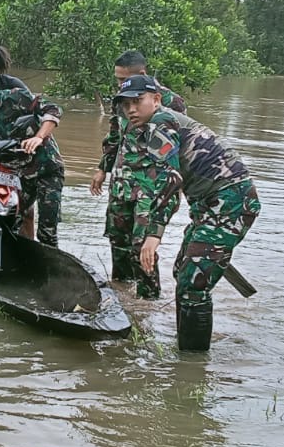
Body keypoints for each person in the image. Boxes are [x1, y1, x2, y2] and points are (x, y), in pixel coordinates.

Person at [110, 74, 261, 351]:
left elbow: (171, 180)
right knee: (184, 271)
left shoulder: (159, 123)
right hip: (208, 205)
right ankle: (187, 349)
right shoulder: (154, 124)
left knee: (193, 284)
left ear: (156, 100)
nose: (131, 109)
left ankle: (192, 366)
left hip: (231, 201)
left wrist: (154, 234)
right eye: (125, 104)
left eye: (137, 101)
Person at [89, 51, 187, 281]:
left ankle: (147, 305)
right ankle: (122, 299)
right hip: (122, 182)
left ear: (142, 74)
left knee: (142, 247)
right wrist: (103, 168)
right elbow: (115, 135)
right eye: (118, 80)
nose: (120, 85)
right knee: (117, 241)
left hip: (150, 186)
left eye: (124, 80)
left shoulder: (172, 103)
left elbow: (175, 148)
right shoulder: (121, 100)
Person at [0, 69, 64, 247]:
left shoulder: (16, 96)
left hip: (47, 170)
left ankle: (51, 270)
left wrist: (39, 136)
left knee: (47, 232)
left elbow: (53, 109)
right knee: (10, 221)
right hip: (19, 176)